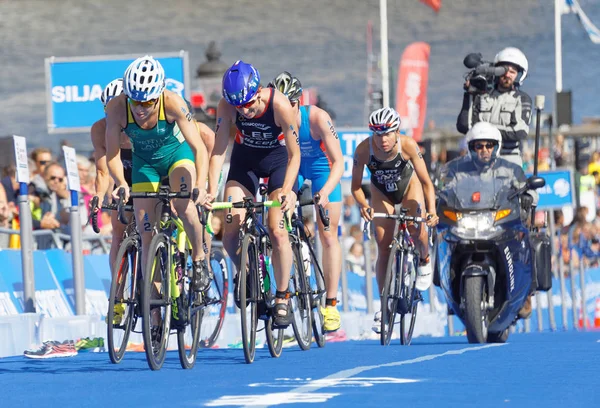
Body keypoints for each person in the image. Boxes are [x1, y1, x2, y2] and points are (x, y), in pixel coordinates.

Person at [105, 56, 211, 302]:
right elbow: (112, 155)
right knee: (145, 233)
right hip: (146, 163)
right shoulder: (116, 108)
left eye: (148, 101)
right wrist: (121, 182)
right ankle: (152, 307)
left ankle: (198, 258)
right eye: (135, 101)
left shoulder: (173, 102)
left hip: (177, 155)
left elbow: (199, 149)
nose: (140, 108)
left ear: (159, 94)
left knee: (185, 208)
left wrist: (200, 185)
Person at [207, 60, 301, 328]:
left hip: (279, 162)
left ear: (258, 91)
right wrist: (212, 190)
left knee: (277, 229)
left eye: (249, 104)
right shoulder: (228, 106)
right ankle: (247, 271)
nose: (244, 111)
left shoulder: (280, 105)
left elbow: (295, 154)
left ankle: (283, 296)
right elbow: (218, 150)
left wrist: (287, 191)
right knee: (230, 229)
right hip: (245, 161)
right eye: (239, 107)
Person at [268, 71, 344, 332]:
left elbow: (339, 163)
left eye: (288, 104)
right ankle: (285, 285)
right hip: (294, 167)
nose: (282, 110)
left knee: (328, 234)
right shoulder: (275, 119)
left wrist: (324, 193)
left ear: (297, 102)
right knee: (279, 221)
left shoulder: (317, 118)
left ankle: (331, 304)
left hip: (323, 168)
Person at [351, 107, 438, 332]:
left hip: (409, 188)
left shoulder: (408, 145)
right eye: (378, 134)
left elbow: (427, 182)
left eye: (388, 133)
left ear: (397, 131)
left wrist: (431, 211)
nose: (383, 139)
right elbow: (356, 188)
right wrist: (363, 206)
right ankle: (383, 307)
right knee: (383, 245)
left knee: (414, 225)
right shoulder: (363, 150)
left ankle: (424, 260)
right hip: (382, 192)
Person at [440, 121, 536, 319]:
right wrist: (438, 196)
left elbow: (527, 189)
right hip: (467, 223)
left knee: (528, 239)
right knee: (441, 239)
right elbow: (445, 190)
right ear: (471, 148)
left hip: (499, 223)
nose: (484, 150)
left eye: (488, 145)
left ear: (496, 147)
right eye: (479, 146)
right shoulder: (457, 170)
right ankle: (447, 288)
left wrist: (527, 196)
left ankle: (527, 291)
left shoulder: (510, 170)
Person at [457, 47, 532, 168]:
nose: (507, 75)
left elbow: (520, 132)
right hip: (480, 160)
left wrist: (486, 132)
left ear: (519, 76)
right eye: (503, 70)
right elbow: (464, 126)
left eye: (512, 72)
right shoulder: (482, 95)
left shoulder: (521, 99)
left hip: (508, 160)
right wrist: (469, 94)